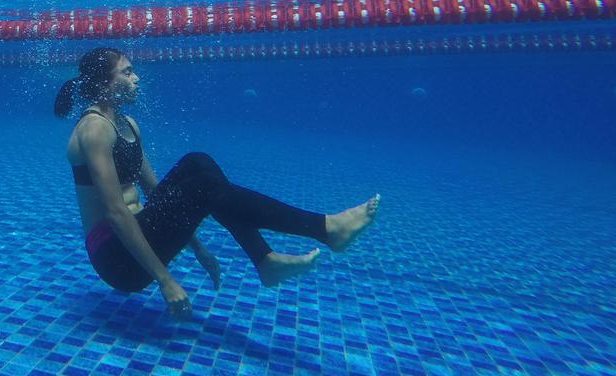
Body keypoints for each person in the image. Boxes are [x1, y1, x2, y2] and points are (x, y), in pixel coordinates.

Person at [56, 47, 380, 320]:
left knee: (198, 163)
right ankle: (325, 229)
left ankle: (264, 259)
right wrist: (166, 280)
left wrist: (198, 248)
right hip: (117, 259)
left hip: (139, 234)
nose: (137, 78)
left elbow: (157, 195)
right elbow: (115, 211)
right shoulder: (94, 129)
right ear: (103, 83)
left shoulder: (127, 124)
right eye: (126, 73)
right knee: (204, 186)